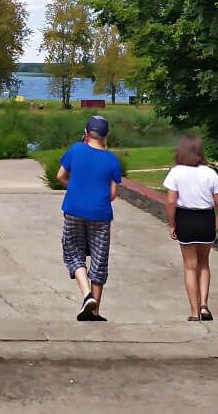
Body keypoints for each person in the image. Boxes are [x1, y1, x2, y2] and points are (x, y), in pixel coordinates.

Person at [56, 115, 123, 321]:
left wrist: (75, 189)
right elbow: (113, 194)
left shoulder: (76, 149)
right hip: (100, 213)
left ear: (86, 132)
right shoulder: (112, 160)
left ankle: (86, 296)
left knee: (74, 253)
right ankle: (94, 311)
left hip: (74, 209)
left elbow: (60, 175)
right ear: (106, 135)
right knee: (99, 258)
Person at [163, 134, 218, 322]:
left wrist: (172, 224)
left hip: (185, 218)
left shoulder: (176, 172)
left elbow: (170, 202)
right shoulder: (210, 173)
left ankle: (194, 312)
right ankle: (204, 306)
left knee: (189, 266)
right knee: (204, 264)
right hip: (206, 219)